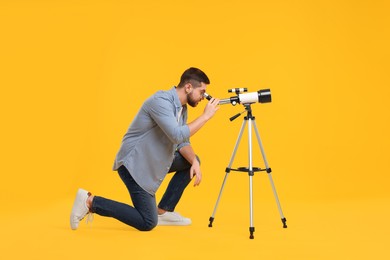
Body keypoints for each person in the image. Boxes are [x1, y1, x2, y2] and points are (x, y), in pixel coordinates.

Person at [70, 67, 220, 231]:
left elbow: (182, 142)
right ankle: (91, 202)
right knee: (147, 222)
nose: (203, 98)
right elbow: (177, 135)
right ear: (189, 87)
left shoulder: (182, 109)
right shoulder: (161, 101)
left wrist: (194, 162)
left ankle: (164, 211)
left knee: (192, 159)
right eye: (202, 92)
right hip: (134, 165)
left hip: (152, 162)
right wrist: (206, 116)